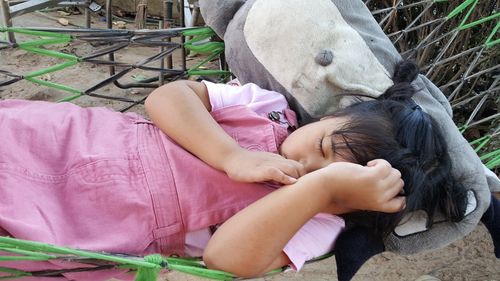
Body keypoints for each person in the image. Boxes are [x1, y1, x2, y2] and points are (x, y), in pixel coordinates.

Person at [0, 61, 463, 279]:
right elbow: (166, 97)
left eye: (338, 186)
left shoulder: (318, 225)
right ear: (325, 118)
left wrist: (319, 191)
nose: (303, 167)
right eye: (321, 146)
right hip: (77, 142)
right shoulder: (269, 109)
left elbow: (226, 260)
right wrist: (231, 156)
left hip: (98, 220)